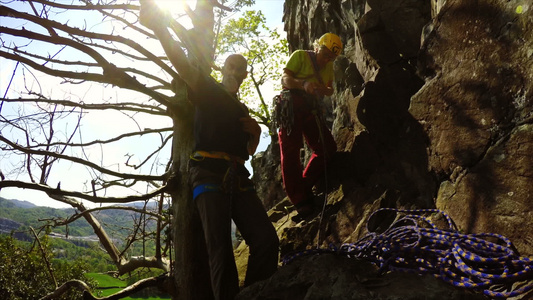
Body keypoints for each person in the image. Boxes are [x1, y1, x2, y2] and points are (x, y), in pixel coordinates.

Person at [140, 2, 279, 300]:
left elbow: (249, 151)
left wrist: (255, 132)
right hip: (206, 171)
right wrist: (160, 29)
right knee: (220, 249)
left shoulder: (242, 110)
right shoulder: (207, 88)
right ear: (224, 68)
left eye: (241, 69)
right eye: (232, 66)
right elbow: (182, 64)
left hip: (238, 175)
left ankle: (254, 293)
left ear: (244, 74)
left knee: (266, 239)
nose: (236, 72)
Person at [278, 33, 342, 219]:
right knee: (291, 151)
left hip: (310, 108)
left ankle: (304, 186)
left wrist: (323, 89)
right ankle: (299, 200)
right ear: (317, 48)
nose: (327, 60)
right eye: (325, 54)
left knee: (327, 148)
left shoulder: (328, 67)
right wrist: (303, 84)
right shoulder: (300, 56)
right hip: (291, 105)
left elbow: (329, 89)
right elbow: (284, 79)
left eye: (331, 57)